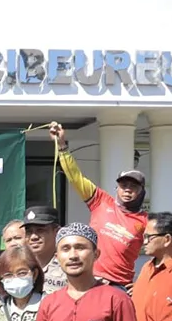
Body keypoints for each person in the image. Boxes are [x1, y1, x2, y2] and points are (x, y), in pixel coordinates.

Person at [49, 122, 148, 289]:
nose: (127, 190)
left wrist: (142, 283)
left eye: (134, 187)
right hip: (88, 280)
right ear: (117, 188)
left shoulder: (146, 221)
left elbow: (161, 251)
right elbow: (75, 177)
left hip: (120, 285)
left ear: (142, 191)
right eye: (124, 186)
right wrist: (62, 145)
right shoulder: (101, 201)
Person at [22, 206, 67, 295]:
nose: (33, 237)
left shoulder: (69, 265)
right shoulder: (20, 265)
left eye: (40, 230)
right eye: (29, 232)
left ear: (57, 232)